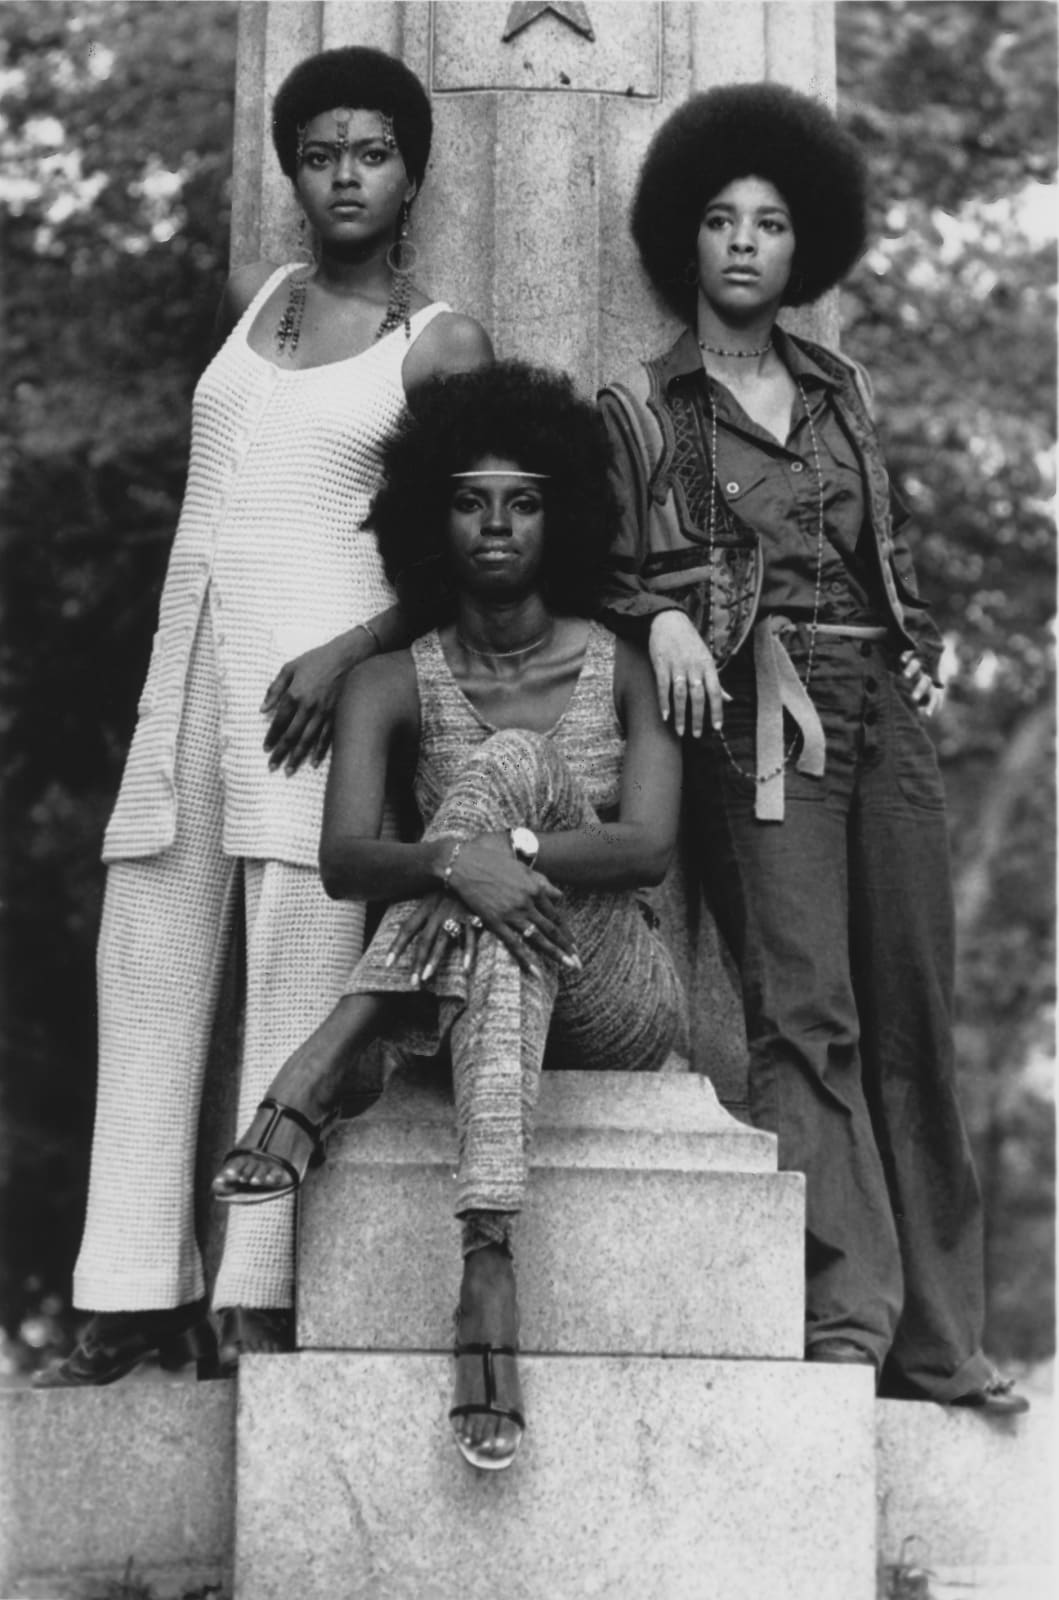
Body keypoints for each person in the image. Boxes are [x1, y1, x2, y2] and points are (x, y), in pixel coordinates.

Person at [35, 46, 492, 1388]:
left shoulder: (438, 342)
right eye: (320, 153)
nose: (345, 176)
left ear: (410, 175)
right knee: (147, 964)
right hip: (186, 672)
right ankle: (128, 1297)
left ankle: (257, 1293)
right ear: (291, 169)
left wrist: (348, 655)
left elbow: (464, 553)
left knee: (296, 966)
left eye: (372, 154)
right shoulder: (256, 303)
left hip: (315, 699)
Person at [597, 83, 1026, 1415]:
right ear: (685, 236)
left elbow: (876, 555)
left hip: (879, 713)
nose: (742, 242)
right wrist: (664, 616)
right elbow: (602, 565)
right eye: (721, 219)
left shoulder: (840, 388)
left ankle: (940, 1343)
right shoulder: (642, 405)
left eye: (770, 223)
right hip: (756, 712)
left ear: (803, 246)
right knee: (803, 1014)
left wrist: (918, 642)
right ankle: (846, 1312)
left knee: (911, 1010)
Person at [211, 362, 686, 1468]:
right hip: (475, 983)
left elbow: (648, 849)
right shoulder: (390, 681)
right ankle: (487, 1264)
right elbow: (343, 862)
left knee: (511, 767)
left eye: (523, 502)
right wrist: (455, 866)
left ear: (560, 518)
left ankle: (326, 1058)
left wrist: (499, 854)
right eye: (471, 501)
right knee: (491, 927)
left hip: (615, 989)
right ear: (435, 515)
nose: (497, 525)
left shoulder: (622, 665)